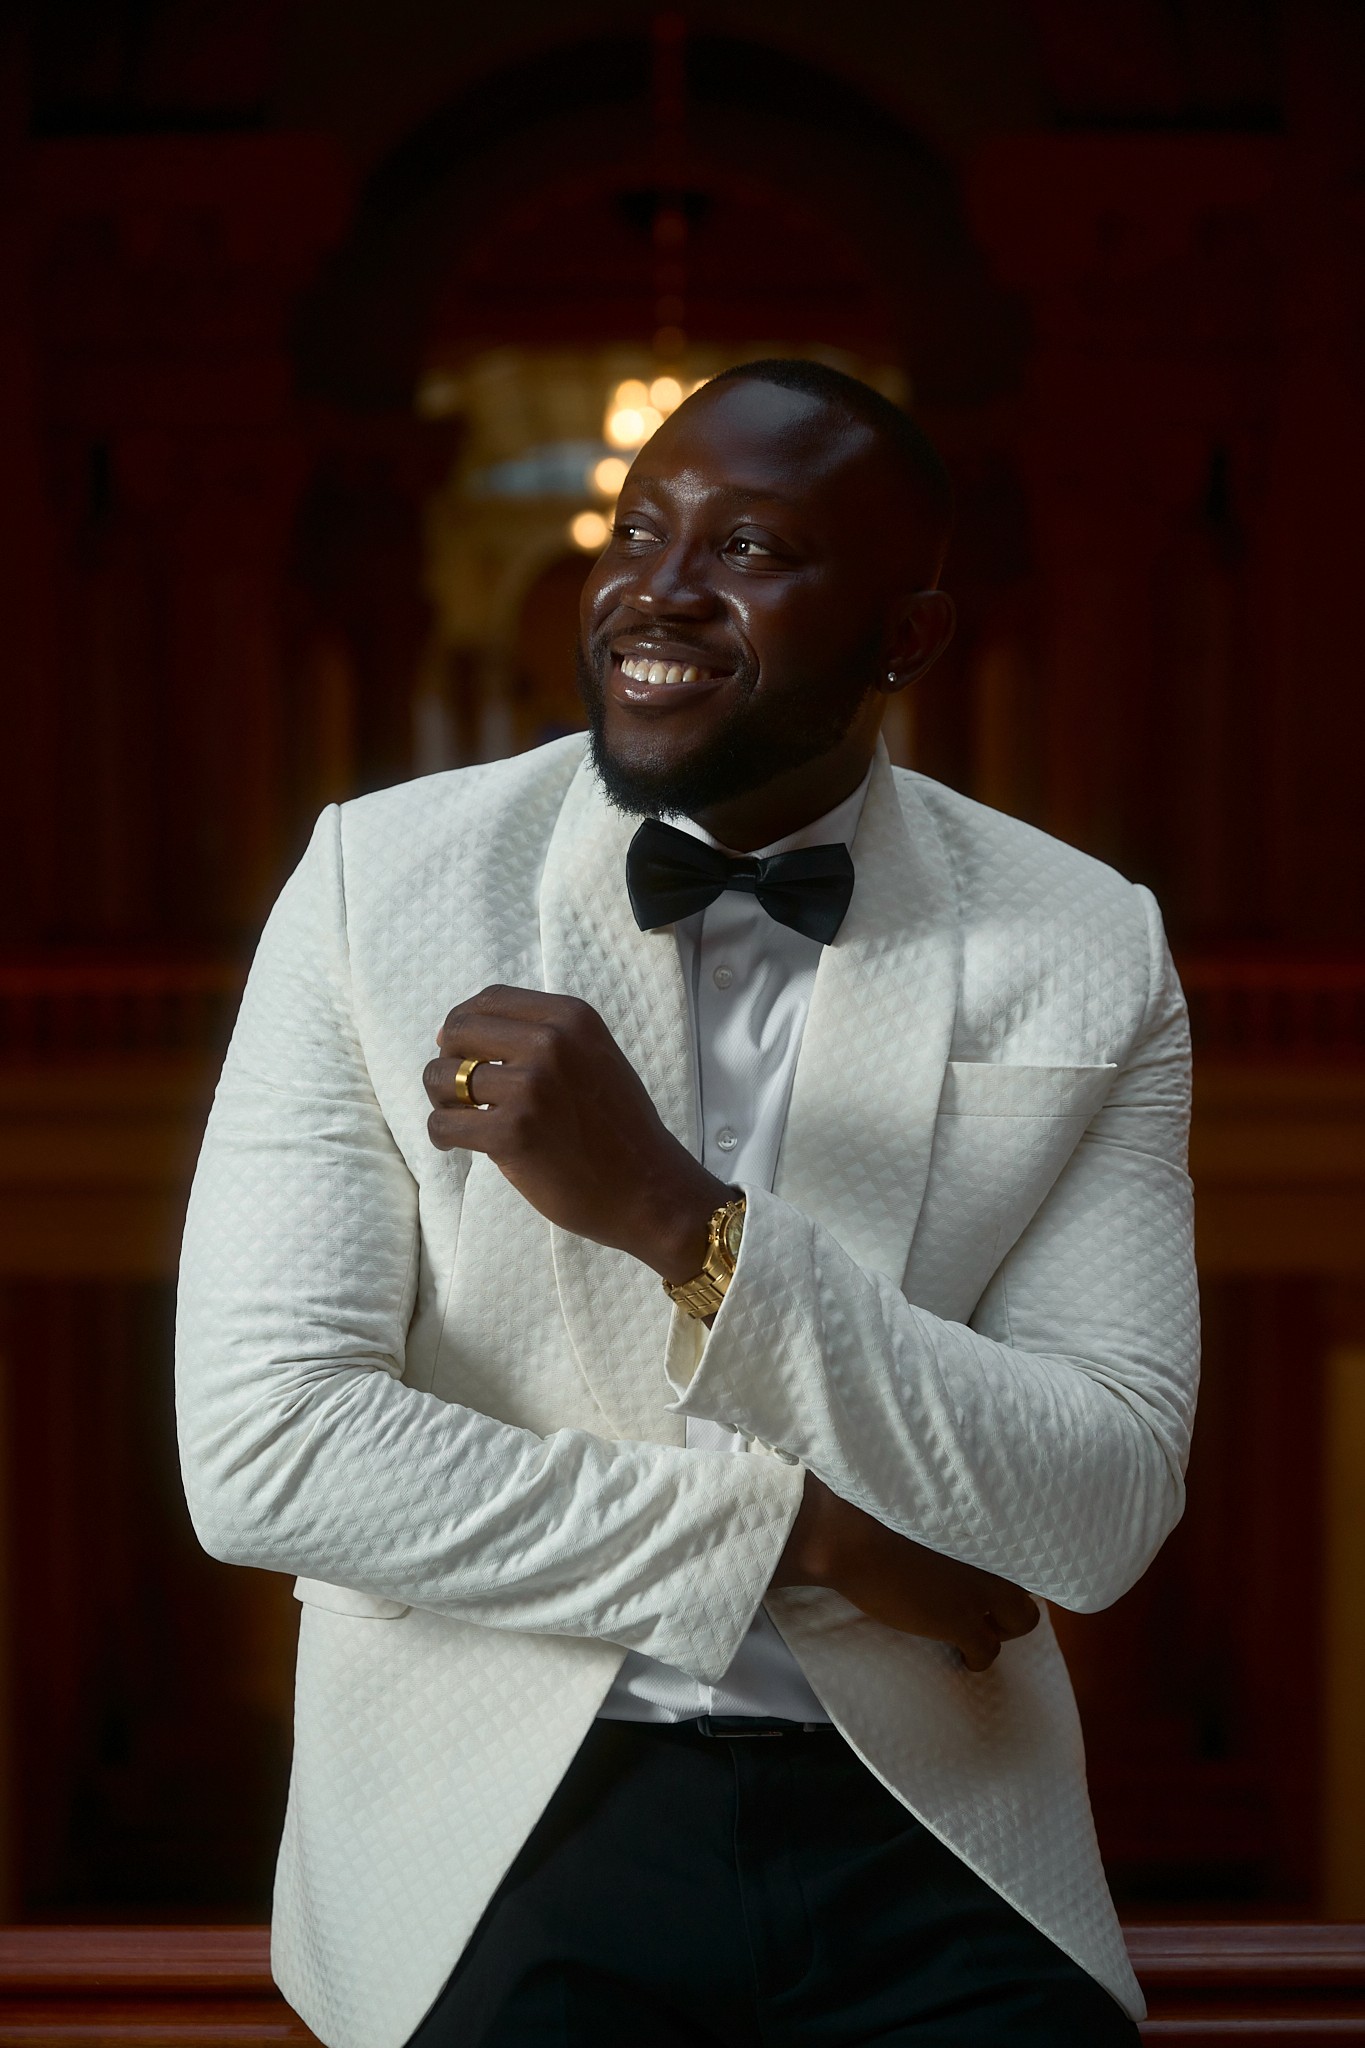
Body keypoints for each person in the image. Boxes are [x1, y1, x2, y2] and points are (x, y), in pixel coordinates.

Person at [176, 359, 1197, 2048]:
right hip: (494, 1820)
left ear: (905, 637)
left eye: (748, 548)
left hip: (937, 1823)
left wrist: (678, 1218)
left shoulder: (1088, 943)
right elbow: (268, 1451)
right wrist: (813, 1542)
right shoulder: (373, 885)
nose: (656, 588)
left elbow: (1097, 1508)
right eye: (638, 531)